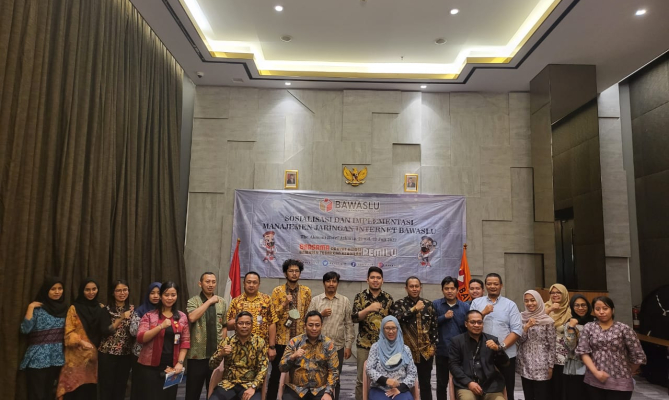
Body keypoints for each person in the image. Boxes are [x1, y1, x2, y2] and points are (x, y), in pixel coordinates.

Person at [575, 296, 646, 400]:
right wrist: (596, 372)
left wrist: (628, 371)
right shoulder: (589, 327)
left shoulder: (624, 329)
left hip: (620, 383)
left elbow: (638, 355)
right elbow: (583, 352)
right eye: (597, 309)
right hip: (593, 381)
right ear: (594, 311)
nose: (601, 312)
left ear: (612, 310)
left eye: (605, 308)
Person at [133, 281, 191, 400]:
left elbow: (185, 342)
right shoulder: (149, 315)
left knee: (169, 397)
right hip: (150, 367)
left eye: (173, 295)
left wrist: (180, 363)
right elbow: (141, 337)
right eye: (166, 294)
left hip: (172, 367)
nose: (170, 298)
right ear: (160, 296)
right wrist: (160, 326)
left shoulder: (182, 317)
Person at [57, 278, 112, 400]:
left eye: (94, 289)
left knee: (89, 390)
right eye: (87, 290)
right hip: (75, 357)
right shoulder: (74, 308)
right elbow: (68, 333)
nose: (91, 292)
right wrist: (81, 342)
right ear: (82, 291)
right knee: (74, 390)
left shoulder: (101, 308)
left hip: (93, 358)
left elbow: (105, 331)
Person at [470, 273, 522, 400]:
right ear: (485, 286)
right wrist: (483, 313)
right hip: (481, 355)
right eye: (489, 284)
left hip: (506, 354)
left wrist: (500, 347)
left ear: (501, 285)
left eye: (496, 284)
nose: (492, 286)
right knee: (482, 390)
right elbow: (470, 324)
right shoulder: (477, 302)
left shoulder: (510, 305)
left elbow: (516, 330)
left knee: (507, 390)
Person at [268, 260, 312, 400]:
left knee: (299, 375)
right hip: (281, 340)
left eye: (297, 271)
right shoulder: (278, 291)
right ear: (285, 273)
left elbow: (306, 315)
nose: (294, 274)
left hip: (300, 342)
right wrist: (285, 303)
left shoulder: (306, 291)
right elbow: (272, 316)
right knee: (276, 375)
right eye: (291, 271)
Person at [308, 271, 355, 400]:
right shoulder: (316, 300)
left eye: (334, 281)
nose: (331, 284)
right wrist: (320, 314)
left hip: (337, 347)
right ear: (324, 283)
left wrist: (348, 345)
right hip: (317, 346)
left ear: (337, 283)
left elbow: (349, 324)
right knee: (316, 377)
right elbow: (308, 321)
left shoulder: (344, 301)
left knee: (335, 378)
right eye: (328, 281)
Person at [20, 277, 68, 400]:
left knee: (49, 393)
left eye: (60, 288)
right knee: (37, 394)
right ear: (46, 290)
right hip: (38, 358)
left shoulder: (66, 309)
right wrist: (30, 308)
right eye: (53, 289)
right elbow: (25, 329)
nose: (57, 292)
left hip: (56, 358)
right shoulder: (38, 309)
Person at [391, 276, 438, 400]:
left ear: (420, 287)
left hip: (425, 352)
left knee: (425, 384)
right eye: (411, 286)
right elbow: (396, 320)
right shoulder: (399, 304)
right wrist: (413, 309)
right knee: (404, 383)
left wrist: (433, 346)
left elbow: (434, 327)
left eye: (417, 286)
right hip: (405, 352)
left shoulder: (428, 304)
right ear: (406, 288)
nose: (414, 289)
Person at [352, 266, 394, 400]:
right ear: (367, 280)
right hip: (364, 345)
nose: (375, 280)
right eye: (372, 277)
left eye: (378, 278)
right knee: (361, 380)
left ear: (382, 280)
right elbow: (354, 318)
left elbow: (392, 323)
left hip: (384, 347)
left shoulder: (388, 298)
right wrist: (368, 309)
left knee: (384, 379)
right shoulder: (360, 297)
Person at [185, 272, 228, 400]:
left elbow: (224, 325)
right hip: (197, 356)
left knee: (215, 392)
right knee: (192, 392)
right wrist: (209, 302)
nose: (211, 285)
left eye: (213, 282)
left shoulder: (222, 302)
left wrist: (223, 345)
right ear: (200, 283)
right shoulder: (193, 301)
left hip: (216, 356)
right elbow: (192, 317)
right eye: (207, 281)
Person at [279, 311, 340, 400]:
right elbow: (282, 368)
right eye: (310, 325)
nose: (314, 328)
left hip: (320, 389)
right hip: (296, 389)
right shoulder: (295, 342)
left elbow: (334, 371)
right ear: (305, 326)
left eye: (317, 325)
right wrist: (293, 357)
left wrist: (327, 392)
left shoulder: (328, 344)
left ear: (322, 326)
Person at [448, 310, 508, 400]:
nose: (476, 325)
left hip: (490, 386)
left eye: (479, 322)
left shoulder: (492, 340)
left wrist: (498, 349)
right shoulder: (457, 341)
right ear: (466, 324)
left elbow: (505, 364)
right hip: (466, 385)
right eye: (473, 322)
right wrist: (469, 383)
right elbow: (453, 365)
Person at [208, 311, 268, 400]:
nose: (244, 326)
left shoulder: (259, 342)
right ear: (235, 326)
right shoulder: (227, 342)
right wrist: (221, 354)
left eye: (247, 323)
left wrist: (253, 387)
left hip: (249, 384)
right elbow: (211, 365)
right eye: (241, 323)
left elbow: (263, 368)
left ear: (252, 325)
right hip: (228, 384)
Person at [226, 271, 278, 362]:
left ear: (259, 284)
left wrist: (272, 347)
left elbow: (272, 323)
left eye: (254, 282)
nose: (251, 285)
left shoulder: (266, 299)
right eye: (248, 282)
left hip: (262, 348)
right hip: (240, 349)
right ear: (244, 283)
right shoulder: (236, 301)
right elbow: (228, 325)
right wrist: (241, 319)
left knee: (263, 371)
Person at [433, 276, 470, 400]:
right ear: (442, 290)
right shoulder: (436, 305)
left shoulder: (465, 307)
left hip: (460, 352)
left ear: (457, 290)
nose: (449, 291)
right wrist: (444, 317)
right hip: (442, 350)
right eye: (446, 288)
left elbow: (468, 329)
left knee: (460, 383)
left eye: (452, 288)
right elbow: (430, 324)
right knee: (441, 384)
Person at [98, 279, 135, 400]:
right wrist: (121, 317)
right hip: (107, 353)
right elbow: (105, 331)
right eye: (118, 290)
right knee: (106, 386)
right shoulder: (106, 310)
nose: (122, 293)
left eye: (125, 290)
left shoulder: (133, 310)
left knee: (121, 386)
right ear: (113, 293)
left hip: (126, 354)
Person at [516, 290, 556, 400]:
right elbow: (519, 341)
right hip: (525, 363)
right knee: (528, 394)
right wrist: (526, 327)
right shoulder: (521, 318)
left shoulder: (548, 321)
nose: (530, 303)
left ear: (538, 301)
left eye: (533, 300)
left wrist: (551, 366)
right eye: (526, 301)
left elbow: (552, 345)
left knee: (541, 394)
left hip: (542, 364)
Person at [365, 316, 417, 400]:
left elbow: (412, 373)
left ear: (398, 329)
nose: (391, 331)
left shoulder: (405, 349)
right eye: (387, 328)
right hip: (379, 388)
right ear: (382, 329)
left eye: (393, 328)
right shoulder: (376, 347)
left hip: (400, 389)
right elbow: (369, 369)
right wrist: (386, 380)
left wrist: (400, 388)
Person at [562, 294, 595, 400]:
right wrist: (572, 327)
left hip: (595, 365)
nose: (580, 308)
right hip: (576, 367)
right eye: (576, 305)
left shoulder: (595, 322)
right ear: (572, 307)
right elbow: (570, 346)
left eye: (583, 305)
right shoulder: (569, 324)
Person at [544, 283, 571, 400]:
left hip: (563, 356)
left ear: (564, 293)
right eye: (552, 292)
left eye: (558, 292)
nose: (555, 295)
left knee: (562, 387)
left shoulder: (570, 310)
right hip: (545, 354)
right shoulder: (544, 307)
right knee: (548, 388)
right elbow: (537, 320)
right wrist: (550, 309)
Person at [130, 281, 162, 357]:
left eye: (159, 293)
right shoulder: (140, 311)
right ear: (148, 295)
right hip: (141, 353)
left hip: (161, 353)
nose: (156, 296)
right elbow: (133, 332)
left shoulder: (167, 311)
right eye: (152, 293)